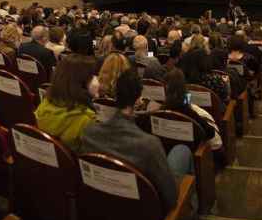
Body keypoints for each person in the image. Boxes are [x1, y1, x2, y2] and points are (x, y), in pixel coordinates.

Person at [80, 72, 192, 212]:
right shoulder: (149, 145)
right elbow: (170, 198)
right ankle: (190, 213)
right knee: (182, 150)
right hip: (144, 214)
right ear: (138, 99)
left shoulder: (88, 133)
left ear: (115, 95)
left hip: (101, 208)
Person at [34, 52, 99, 152]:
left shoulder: (44, 104)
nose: (97, 80)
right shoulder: (87, 120)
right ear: (82, 83)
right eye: (93, 76)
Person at [162, 68, 220, 152]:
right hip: (193, 152)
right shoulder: (188, 113)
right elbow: (210, 133)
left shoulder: (160, 112)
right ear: (184, 88)